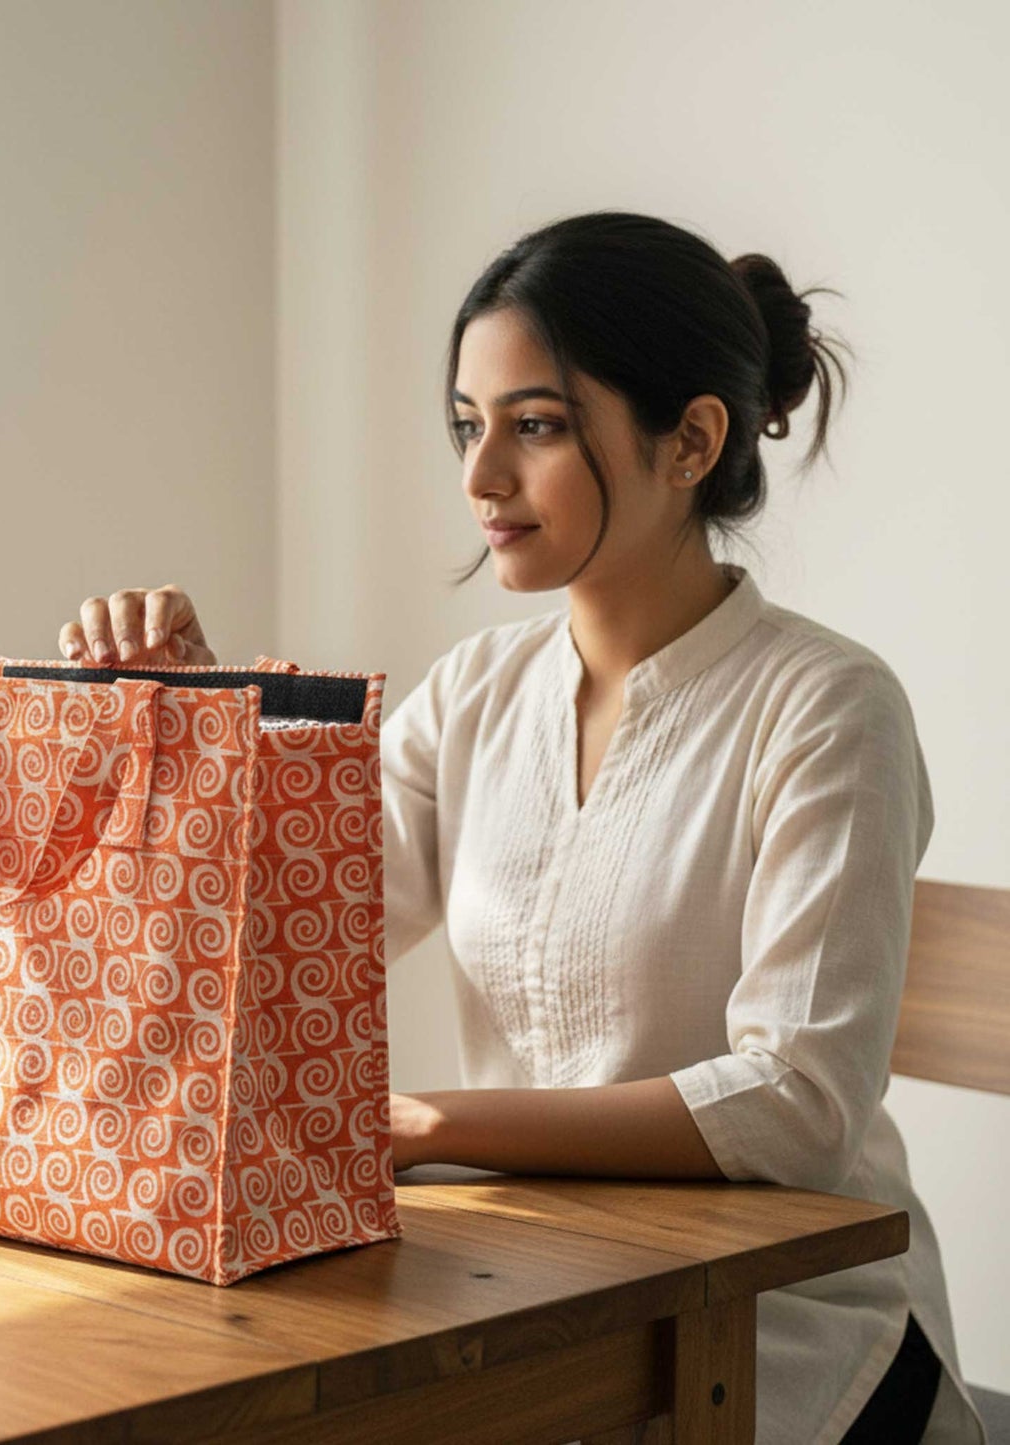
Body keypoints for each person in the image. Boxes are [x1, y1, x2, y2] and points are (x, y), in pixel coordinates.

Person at [55, 212, 986, 1445]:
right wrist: (194, 724)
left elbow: (795, 1100)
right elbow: (275, 950)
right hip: (532, 1297)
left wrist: (426, 1127)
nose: (478, 475)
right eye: (465, 423)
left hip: (784, 1333)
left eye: (533, 425)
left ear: (689, 440)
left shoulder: (825, 708)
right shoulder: (471, 696)